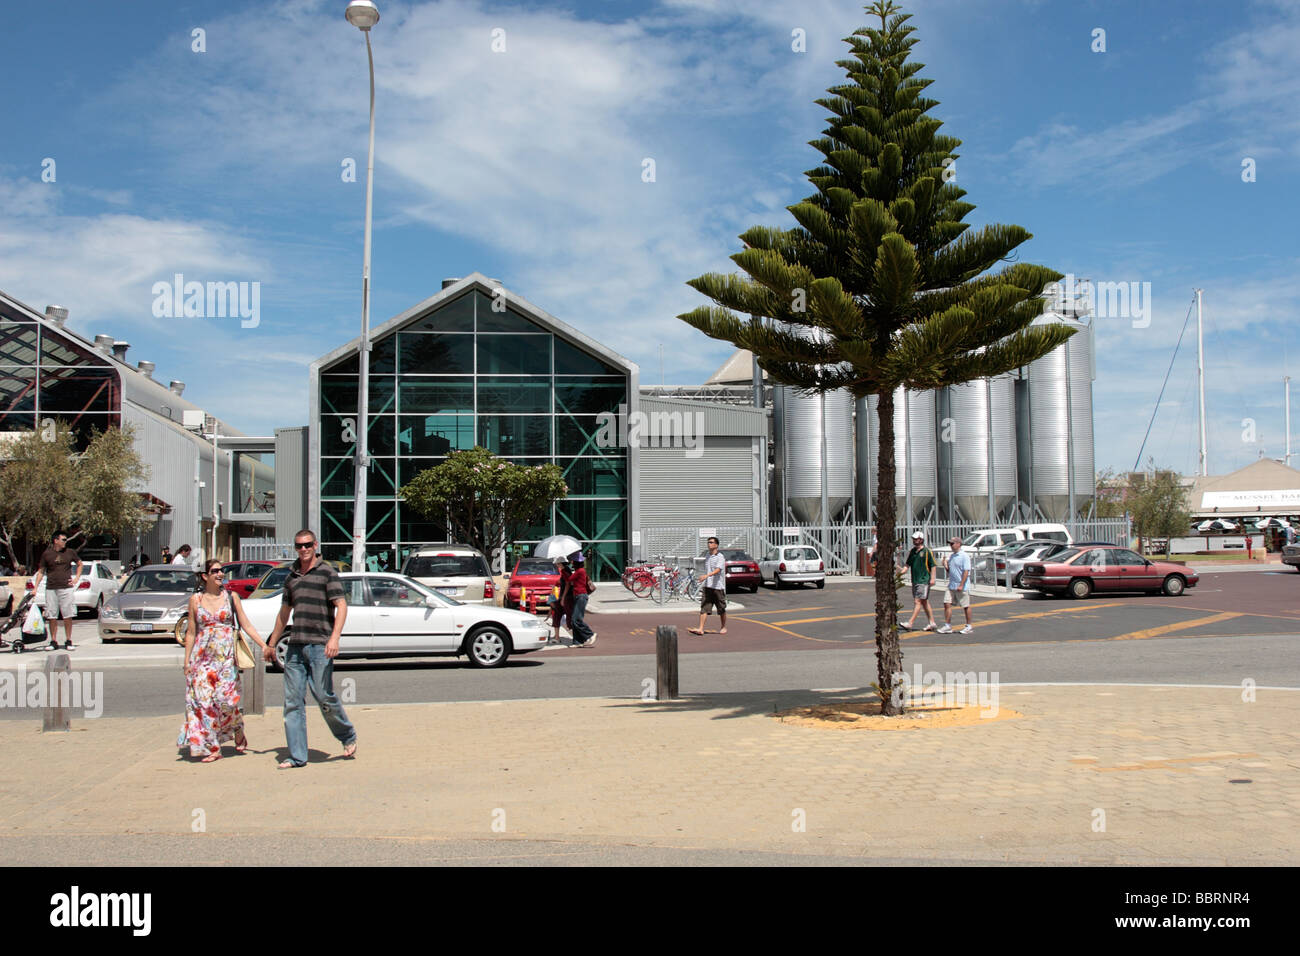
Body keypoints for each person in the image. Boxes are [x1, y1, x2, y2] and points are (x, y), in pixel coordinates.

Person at [264, 530, 357, 769]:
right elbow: (284, 613)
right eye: (299, 546)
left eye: (307, 545)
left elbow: (341, 605)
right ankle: (297, 756)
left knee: (324, 696)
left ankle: (347, 735)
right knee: (292, 701)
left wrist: (334, 638)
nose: (303, 550)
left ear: (315, 545)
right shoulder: (291, 576)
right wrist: (272, 644)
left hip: (320, 645)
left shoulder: (327, 572)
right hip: (295, 646)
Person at [177, 558, 269, 762]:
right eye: (215, 571)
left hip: (226, 658)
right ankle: (213, 747)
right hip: (202, 658)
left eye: (222, 571)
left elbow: (246, 624)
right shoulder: (195, 600)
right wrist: (187, 661)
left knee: (225, 700)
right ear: (205, 576)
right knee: (203, 702)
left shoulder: (231, 597)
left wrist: (264, 646)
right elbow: (191, 632)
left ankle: (237, 727)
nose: (220, 574)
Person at [32, 530, 83, 651]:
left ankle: (68, 640)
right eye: (63, 540)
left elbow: (80, 564)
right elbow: (41, 571)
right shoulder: (47, 554)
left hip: (66, 588)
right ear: (56, 540)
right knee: (51, 615)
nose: (65, 542)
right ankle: (53, 641)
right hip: (51, 588)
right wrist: (35, 588)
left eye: (66, 540)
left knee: (67, 615)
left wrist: (76, 578)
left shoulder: (70, 552)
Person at [898, 531, 938, 632]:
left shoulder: (927, 551)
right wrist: (899, 574)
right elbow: (907, 566)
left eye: (916, 539)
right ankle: (932, 622)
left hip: (923, 580)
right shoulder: (913, 552)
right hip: (915, 580)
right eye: (914, 539)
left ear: (921, 539)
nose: (915, 541)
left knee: (918, 601)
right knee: (924, 602)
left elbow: (933, 565)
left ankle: (910, 623)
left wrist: (933, 578)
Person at [689, 536, 727, 636]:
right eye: (708, 542)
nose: (709, 544)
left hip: (718, 587)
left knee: (721, 608)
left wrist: (707, 575)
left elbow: (718, 570)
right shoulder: (707, 556)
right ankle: (701, 628)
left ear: (716, 545)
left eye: (711, 542)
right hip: (708, 586)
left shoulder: (720, 557)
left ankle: (723, 627)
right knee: (704, 607)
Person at [938, 536, 973, 634]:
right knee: (946, 603)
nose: (951, 546)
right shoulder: (952, 556)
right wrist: (945, 565)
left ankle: (969, 626)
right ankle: (948, 625)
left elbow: (966, 571)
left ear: (958, 544)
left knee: (966, 606)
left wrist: (961, 584)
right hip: (951, 585)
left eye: (952, 543)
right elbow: (951, 571)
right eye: (950, 544)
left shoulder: (964, 556)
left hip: (961, 585)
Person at [566, 550, 596, 647]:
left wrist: (564, 570)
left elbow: (569, 580)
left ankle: (590, 634)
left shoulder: (580, 571)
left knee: (576, 619)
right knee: (574, 619)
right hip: (578, 596)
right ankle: (577, 642)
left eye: (572, 561)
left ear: (576, 562)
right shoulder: (579, 571)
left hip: (581, 596)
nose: (571, 562)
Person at [548, 556, 573, 644]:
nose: (557, 565)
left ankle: (582, 635)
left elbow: (568, 584)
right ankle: (557, 636)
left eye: (558, 564)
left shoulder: (565, 571)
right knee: (557, 614)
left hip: (566, 598)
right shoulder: (566, 571)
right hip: (564, 597)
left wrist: (563, 598)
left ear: (561, 564)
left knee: (569, 618)